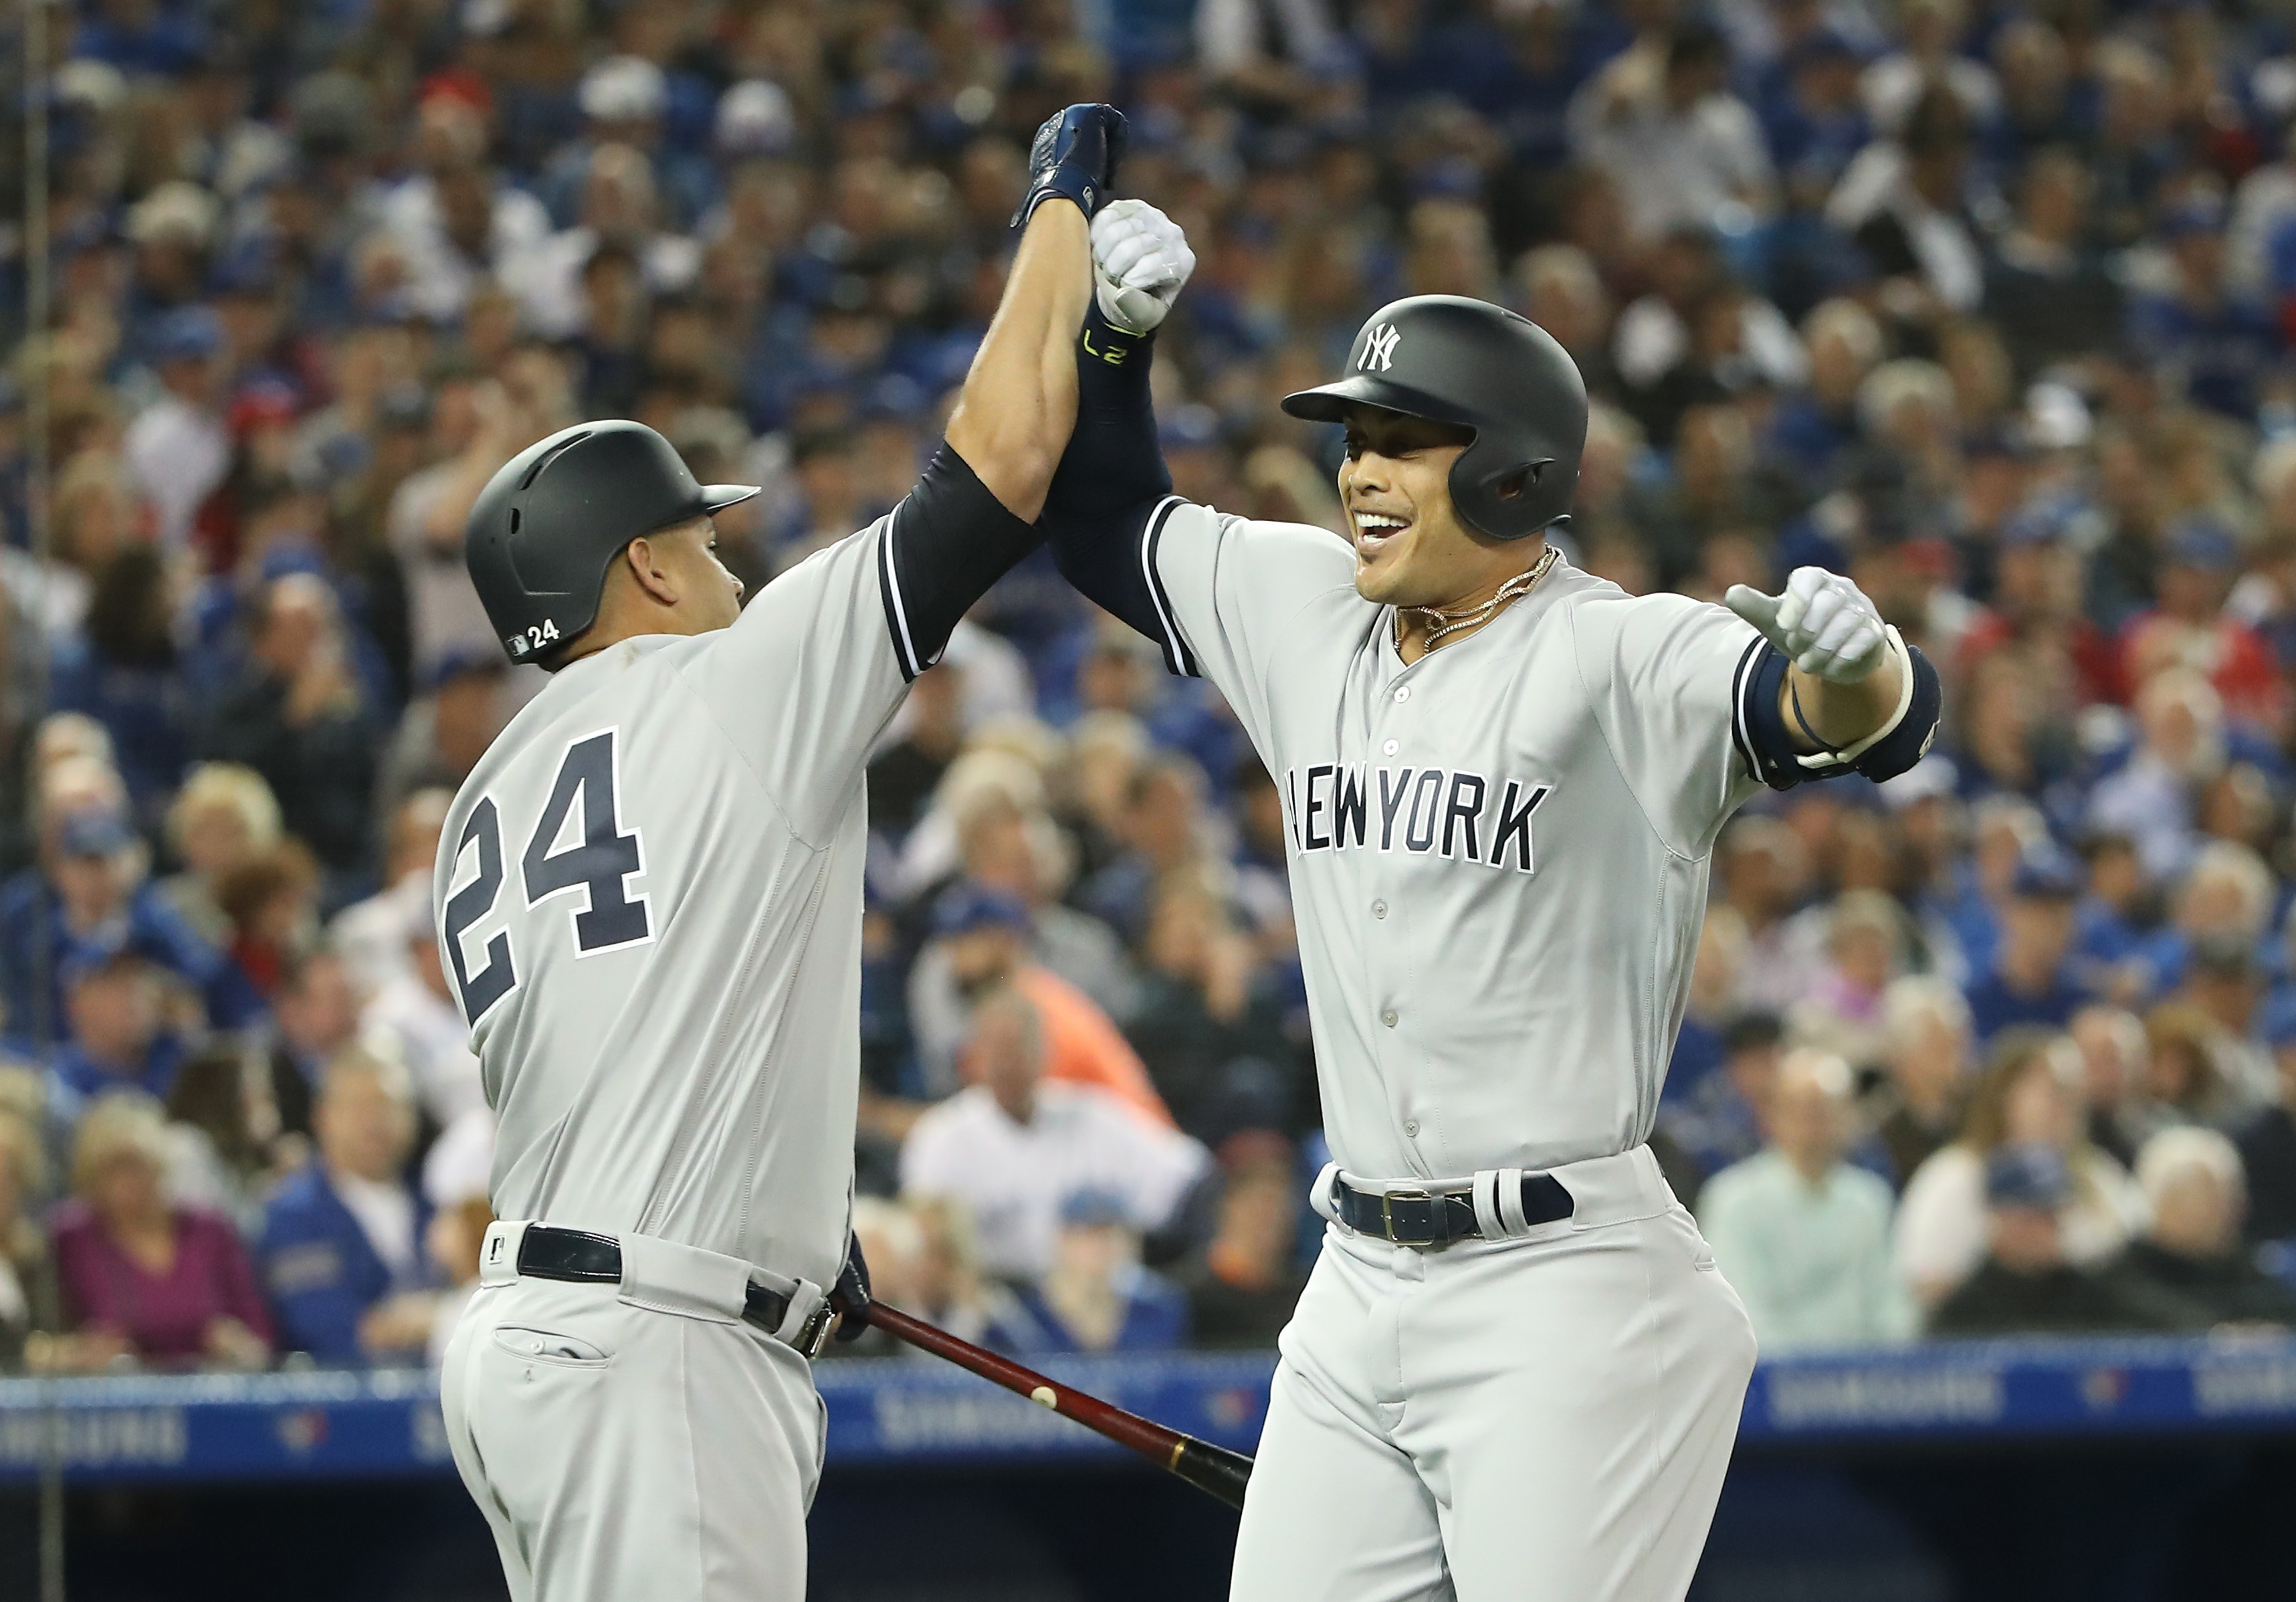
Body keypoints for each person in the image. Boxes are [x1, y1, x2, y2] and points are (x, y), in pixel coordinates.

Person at [1039, 209, 1940, 1599]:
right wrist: (1108, 342)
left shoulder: (1612, 652)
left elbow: (1848, 722)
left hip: (1564, 1285)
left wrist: (1863, 664)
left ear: (1517, 476)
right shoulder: (1305, 607)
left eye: (1404, 441)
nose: (1360, 473)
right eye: (1354, 440)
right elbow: (1100, 521)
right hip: (1356, 1279)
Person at [435, 108, 1160, 1602]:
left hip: (543, 1337)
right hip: (659, 1357)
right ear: (638, 564)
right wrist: (1059, 210)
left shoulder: (481, 803)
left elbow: (652, 1039)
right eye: (697, 540)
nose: (727, 557)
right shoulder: (736, 684)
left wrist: (782, 1225)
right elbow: (1001, 467)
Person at [899, 987, 1209, 1284]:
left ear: (1045, 1052)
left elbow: (1190, 1175)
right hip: (997, 1301)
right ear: (974, 1056)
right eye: (995, 1049)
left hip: (1099, 1296)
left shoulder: (1095, 1117)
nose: (1007, 1063)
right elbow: (925, 1241)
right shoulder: (940, 1136)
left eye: (1018, 1048)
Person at [1895, 1030, 2148, 1308]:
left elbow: (2135, 1264)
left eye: (2075, 1092)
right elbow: (1925, 1285)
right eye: (2054, 1090)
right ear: (2006, 1094)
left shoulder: (2100, 1176)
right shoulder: (1955, 1176)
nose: (2067, 1105)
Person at [1697, 1050, 1915, 1353]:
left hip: (1862, 1380)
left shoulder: (1869, 1200)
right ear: (1772, 1116)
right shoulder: (1733, 1200)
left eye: (1829, 1111)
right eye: (1804, 1111)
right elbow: (1740, 1314)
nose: (1816, 1125)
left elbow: (1892, 1308)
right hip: (1769, 1381)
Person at [50, 1093, 273, 1369]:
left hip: (214, 1390)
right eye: (109, 1171)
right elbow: (55, 1338)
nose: (124, 1186)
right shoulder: (73, 1238)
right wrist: (82, 1353)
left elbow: (259, 1334)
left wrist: (240, 1346)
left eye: (134, 1166)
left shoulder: (209, 1230)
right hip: (120, 1400)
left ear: (158, 1165)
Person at [257, 1049, 442, 1362]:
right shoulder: (293, 1216)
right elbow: (328, 1328)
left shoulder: (437, 1206)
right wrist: (445, 1317)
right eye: (360, 1107)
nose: (376, 1122)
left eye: (390, 1106)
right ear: (322, 1116)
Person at [1929, 1142, 2207, 1336]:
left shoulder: (2090, 1293)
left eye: (2051, 1214)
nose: (2044, 1227)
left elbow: (2167, 1324)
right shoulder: (1966, 1309)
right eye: (2030, 1215)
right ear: (1997, 1217)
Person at [2121, 1126, 2296, 1326]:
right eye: (2211, 1197)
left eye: (2231, 1195)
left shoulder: (2245, 1273)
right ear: (2165, 1201)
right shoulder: (2124, 1282)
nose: (2230, 1209)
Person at [1005, 1189, 1190, 1354]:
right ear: (1062, 1239)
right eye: (1088, 1235)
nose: (1100, 1247)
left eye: (1110, 1235)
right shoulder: (1021, 1316)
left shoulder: (1154, 1313)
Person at [1174, 1133, 1310, 1348]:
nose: (1270, 1215)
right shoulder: (1181, 1300)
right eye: (1256, 1199)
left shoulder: (1307, 1298)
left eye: (1279, 1200)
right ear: (1224, 1206)